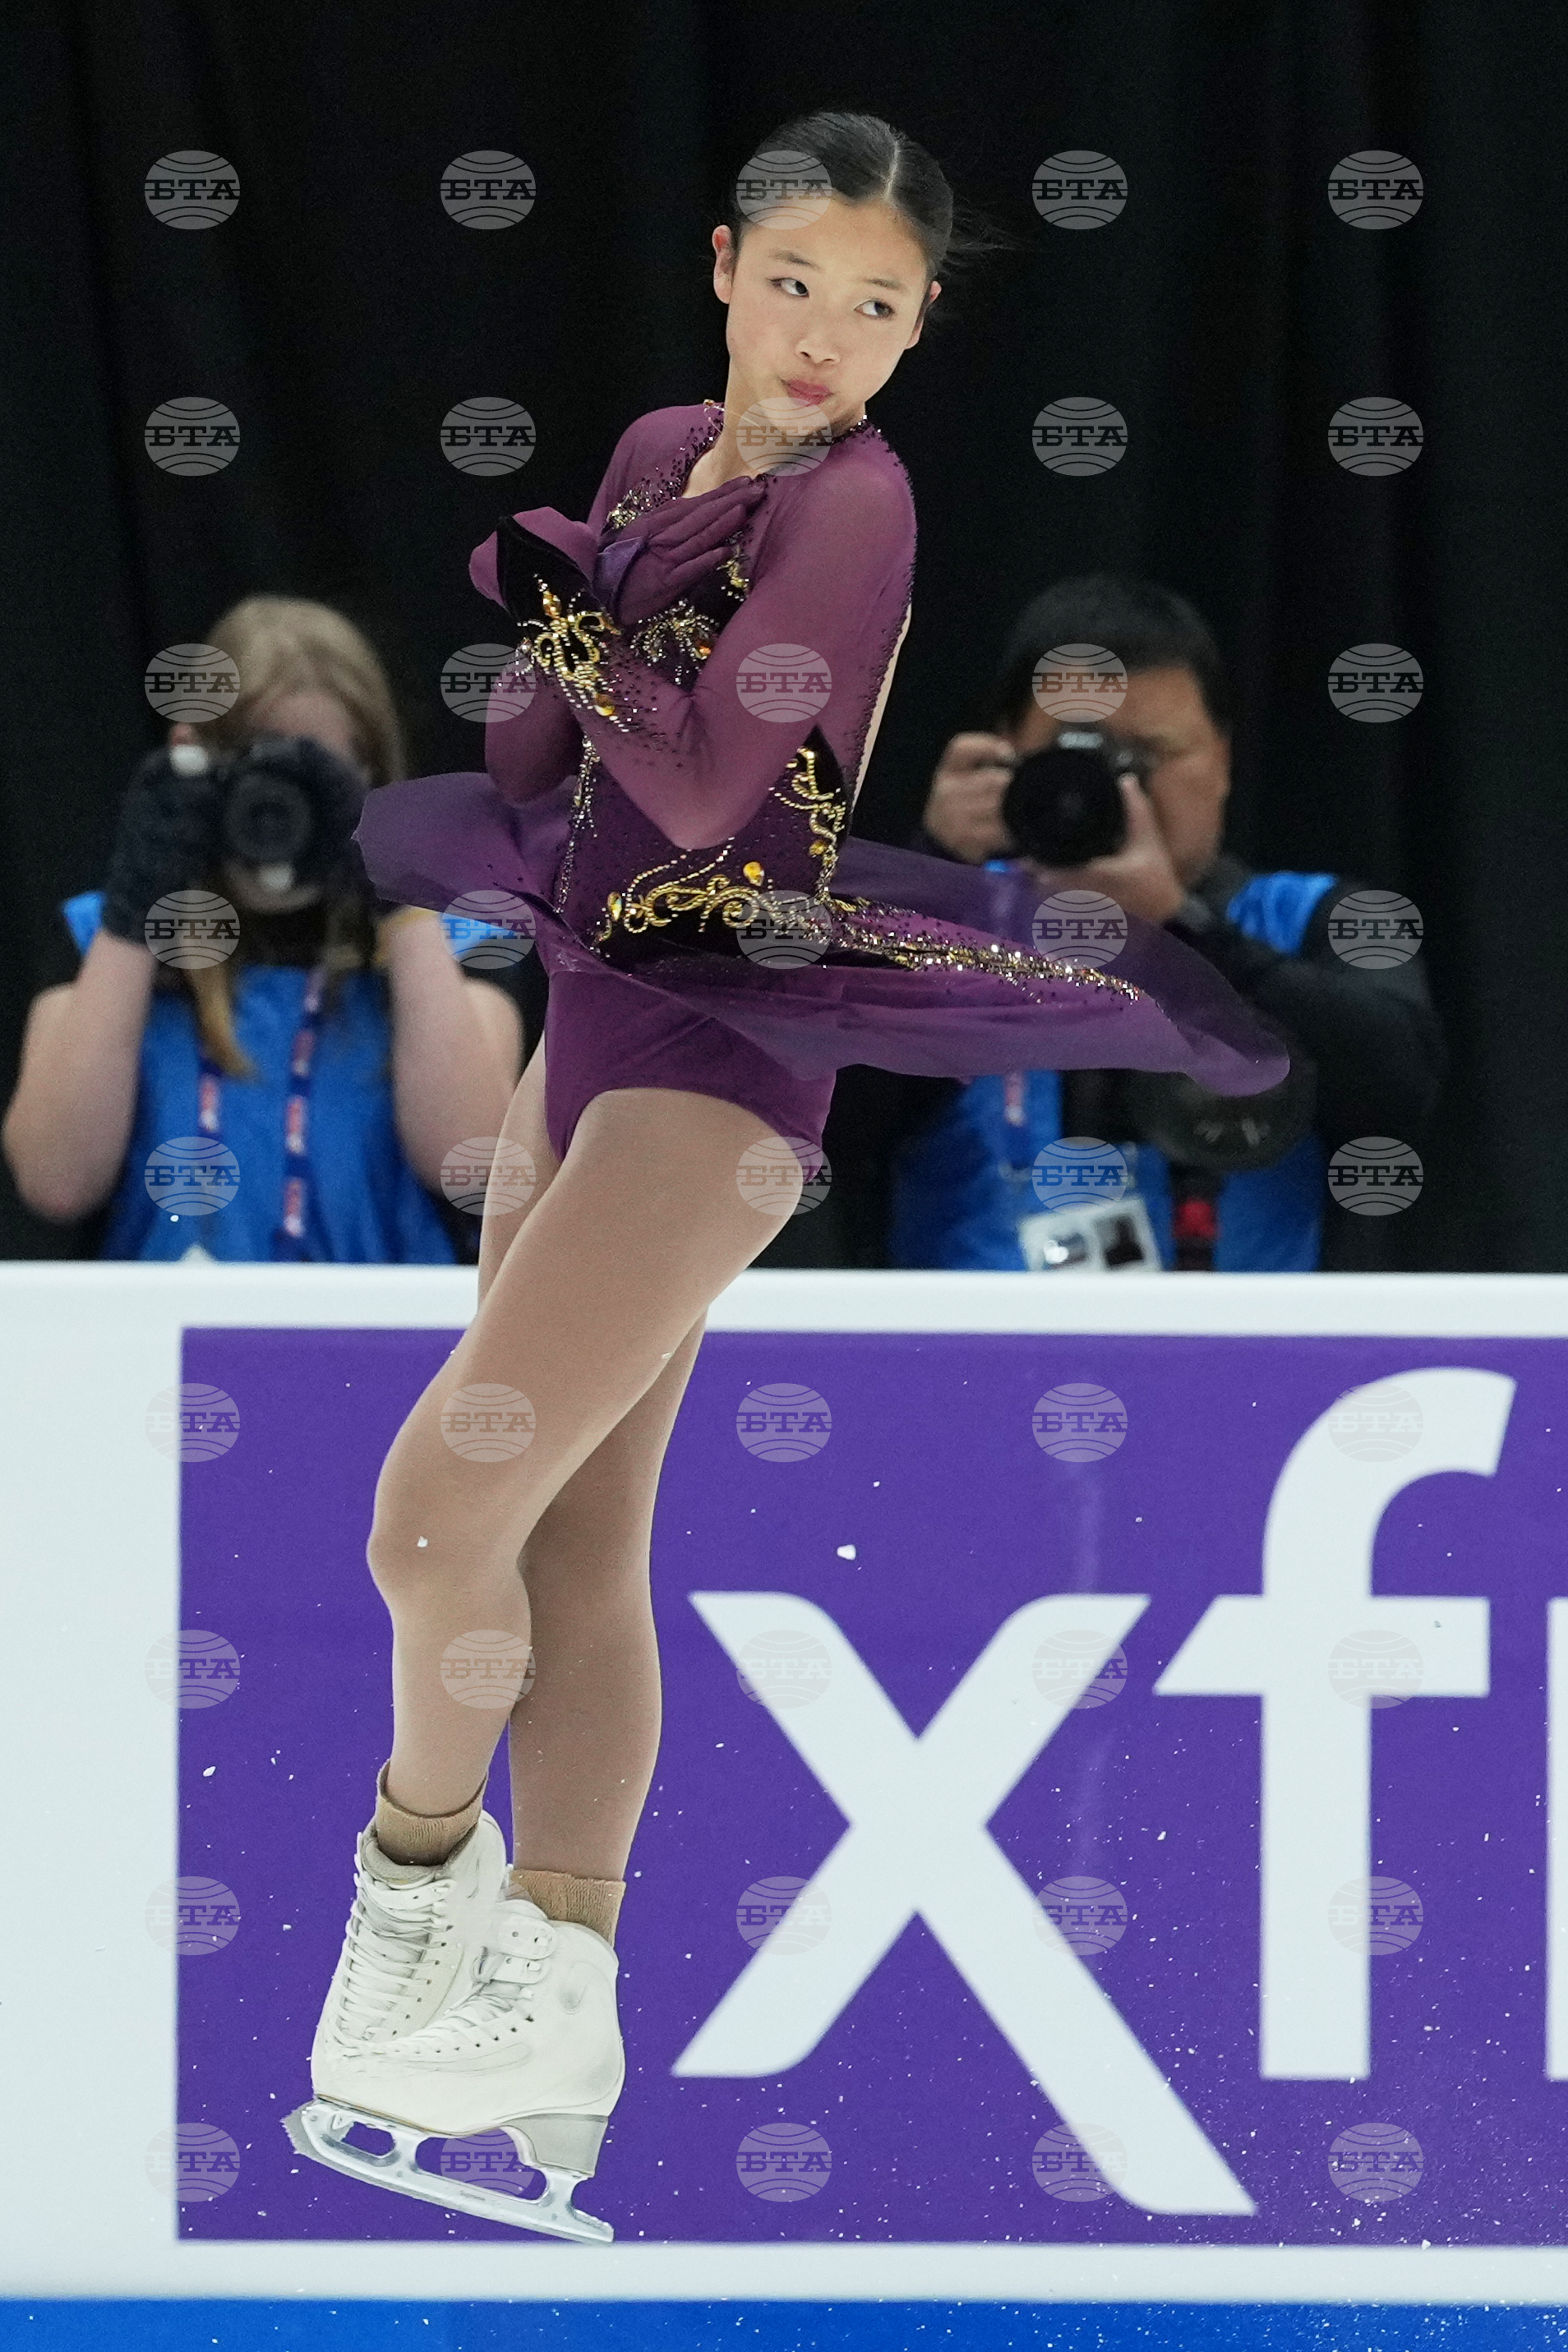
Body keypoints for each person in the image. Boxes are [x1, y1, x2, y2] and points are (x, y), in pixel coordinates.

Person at [282, 112, 1289, 2241]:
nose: (833, 333)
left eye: (885, 306)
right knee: (563, 1539)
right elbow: (558, 772)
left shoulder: (856, 502)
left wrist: (578, 623)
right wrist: (584, 617)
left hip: (729, 1043)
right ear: (728, 266)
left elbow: (721, 768)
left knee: (430, 1506)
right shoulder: (661, 449)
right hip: (590, 1011)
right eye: (803, 282)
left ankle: (411, 1900)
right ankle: (558, 1995)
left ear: (918, 336)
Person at [888, 575, 1446, 1271]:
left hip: (1250, 1365)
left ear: (1223, 758)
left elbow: (1400, 1089)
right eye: (1079, 753)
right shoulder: (949, 930)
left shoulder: (1305, 920)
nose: (1121, 789)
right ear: (1005, 752)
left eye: (1149, 756)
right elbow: (807, 1101)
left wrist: (1178, 930)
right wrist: (931, 868)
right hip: (963, 1361)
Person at [2, 597, 523, 1263]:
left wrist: (395, 880)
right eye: (259, 770)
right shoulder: (99, 938)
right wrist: (139, 903)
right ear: (196, 761)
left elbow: (470, 1164)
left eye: (318, 777)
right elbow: (56, 1180)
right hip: (165, 1349)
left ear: (371, 775)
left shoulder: (453, 941)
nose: (286, 809)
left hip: (385, 1353)